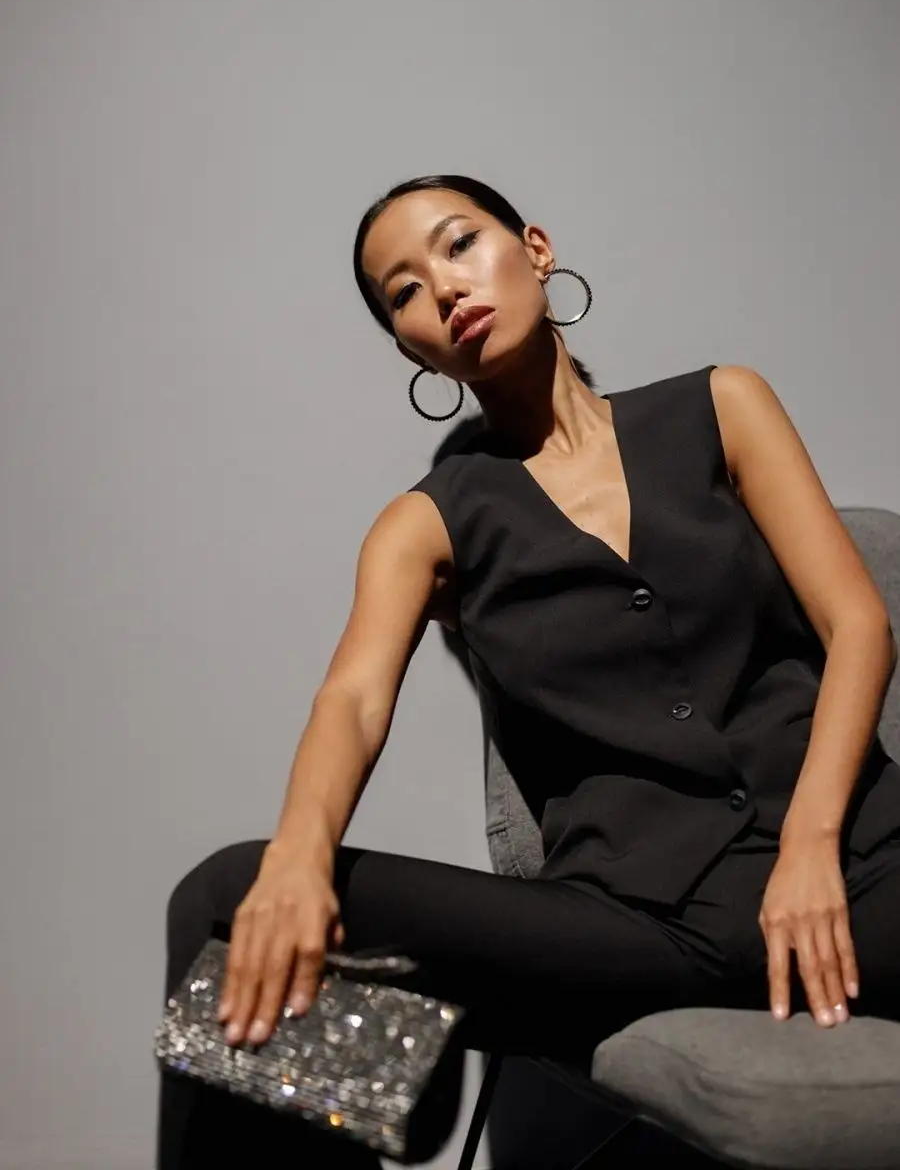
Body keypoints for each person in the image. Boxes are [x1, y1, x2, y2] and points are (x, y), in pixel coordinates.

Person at [157, 174, 900, 1168]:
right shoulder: (425, 524)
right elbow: (354, 699)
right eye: (405, 291)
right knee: (227, 896)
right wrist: (298, 856)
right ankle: (385, 1086)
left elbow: (858, 623)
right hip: (639, 926)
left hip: (864, 873)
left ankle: (404, 1078)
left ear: (536, 249)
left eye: (459, 243)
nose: (443, 288)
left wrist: (810, 846)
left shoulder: (723, 406)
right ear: (410, 346)